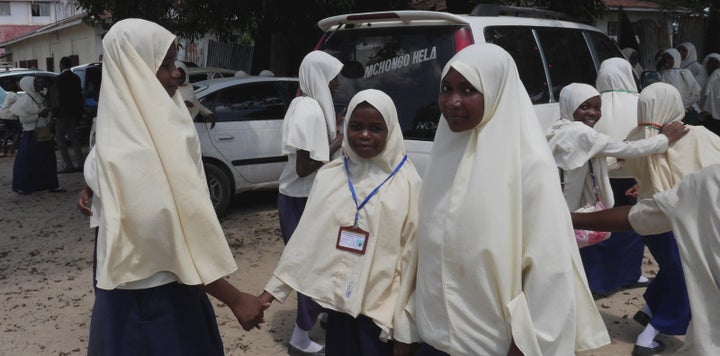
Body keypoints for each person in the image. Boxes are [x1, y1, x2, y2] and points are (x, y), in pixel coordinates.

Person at [74, 18, 267, 355]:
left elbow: (102, 172)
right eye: (163, 65)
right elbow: (169, 240)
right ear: (134, 71)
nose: (177, 73)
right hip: (152, 301)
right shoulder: (136, 151)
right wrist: (234, 298)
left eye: (174, 62)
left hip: (140, 289)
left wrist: (95, 191)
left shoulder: (126, 125)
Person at [412, 43, 609, 355]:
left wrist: (528, 344)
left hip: (493, 342)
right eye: (446, 88)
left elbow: (550, 269)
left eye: (468, 90)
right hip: (435, 334)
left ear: (496, 92)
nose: (452, 101)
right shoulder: (445, 153)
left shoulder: (529, 166)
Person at [259, 89, 422, 356]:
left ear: (391, 130)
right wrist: (271, 292)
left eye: (376, 128)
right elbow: (306, 239)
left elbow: (411, 261)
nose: (365, 135)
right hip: (338, 305)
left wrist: (406, 333)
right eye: (356, 127)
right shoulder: (331, 176)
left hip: (380, 311)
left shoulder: (407, 183)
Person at [546, 81, 687, 297]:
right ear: (569, 105)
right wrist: (665, 138)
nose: (593, 113)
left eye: (596, 107)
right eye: (585, 107)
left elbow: (593, 160)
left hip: (558, 203)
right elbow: (629, 149)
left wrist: (620, 160)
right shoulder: (580, 132)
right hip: (563, 207)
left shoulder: (560, 128)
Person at [571, 164, 720, 355]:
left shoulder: (707, 175)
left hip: (658, 213)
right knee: (679, 275)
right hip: (659, 215)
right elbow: (638, 214)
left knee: (677, 273)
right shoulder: (707, 177)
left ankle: (649, 315)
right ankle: (649, 329)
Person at [621, 82, 720, 355]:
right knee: (688, 279)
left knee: (673, 268)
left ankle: (650, 307)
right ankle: (649, 335)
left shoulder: (637, 137)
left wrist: (643, 184)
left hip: (649, 219)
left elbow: (638, 171)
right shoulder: (697, 134)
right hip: (682, 218)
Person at [276, 50, 345, 353]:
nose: (338, 83)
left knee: (318, 263)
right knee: (310, 268)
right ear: (320, 77)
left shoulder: (306, 104)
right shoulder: (309, 110)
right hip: (300, 201)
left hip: (303, 199)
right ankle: (300, 337)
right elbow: (304, 168)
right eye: (333, 77)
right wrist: (339, 142)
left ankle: (324, 313)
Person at [10, 76, 65, 195]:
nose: (39, 84)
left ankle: (51, 184)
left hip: (44, 131)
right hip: (31, 134)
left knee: (48, 160)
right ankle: (23, 186)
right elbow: (23, 120)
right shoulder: (24, 101)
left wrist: (48, 116)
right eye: (35, 82)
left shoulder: (40, 96)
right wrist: (38, 116)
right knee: (27, 162)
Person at [54, 56, 85, 173]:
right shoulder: (76, 78)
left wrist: (55, 112)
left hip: (62, 114)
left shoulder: (59, 79)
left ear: (61, 65)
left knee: (60, 138)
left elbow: (56, 98)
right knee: (74, 138)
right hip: (73, 113)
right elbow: (79, 96)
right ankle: (80, 163)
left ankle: (68, 164)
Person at [658, 48, 702, 124]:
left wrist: (682, 104)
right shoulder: (661, 75)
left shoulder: (684, 73)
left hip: (686, 113)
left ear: (676, 58)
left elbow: (696, 94)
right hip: (669, 115)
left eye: (670, 58)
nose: (666, 61)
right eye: (664, 58)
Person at [176, 60, 216, 128]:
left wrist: (209, 114)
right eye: (177, 75)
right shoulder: (170, 88)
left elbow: (196, 104)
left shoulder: (189, 87)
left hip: (189, 126)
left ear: (185, 73)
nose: (179, 77)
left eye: (181, 74)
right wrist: (183, 104)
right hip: (176, 126)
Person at [0, 79, 21, 157]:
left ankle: (4, 150)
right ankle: (11, 151)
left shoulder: (9, 94)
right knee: (18, 132)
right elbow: (22, 105)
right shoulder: (15, 96)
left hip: (3, 115)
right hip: (9, 116)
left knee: (8, 132)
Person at [701, 53, 720, 135]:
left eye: (716, 62)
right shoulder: (714, 76)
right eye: (711, 62)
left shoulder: (716, 75)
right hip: (710, 117)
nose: (713, 65)